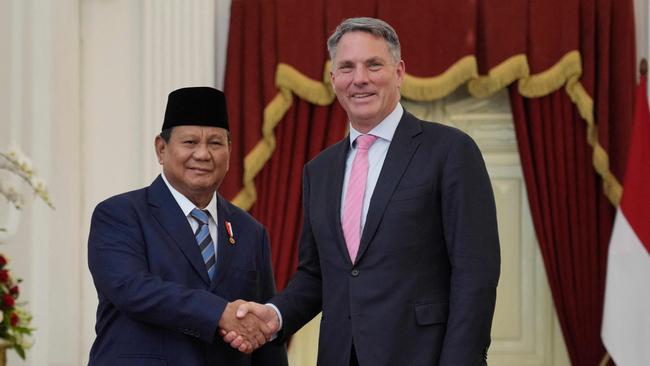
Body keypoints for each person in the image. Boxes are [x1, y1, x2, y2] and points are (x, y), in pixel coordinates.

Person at [227, 17, 501, 365]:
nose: (359, 79)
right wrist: (274, 315)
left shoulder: (450, 151)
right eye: (347, 67)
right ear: (333, 79)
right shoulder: (319, 170)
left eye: (373, 65)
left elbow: (475, 272)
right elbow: (317, 275)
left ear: (399, 72)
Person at [87, 87, 288, 365]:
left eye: (216, 143)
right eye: (190, 142)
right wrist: (220, 313)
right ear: (161, 148)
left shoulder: (250, 231)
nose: (203, 154)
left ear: (229, 151)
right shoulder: (120, 214)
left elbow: (264, 336)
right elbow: (133, 289)